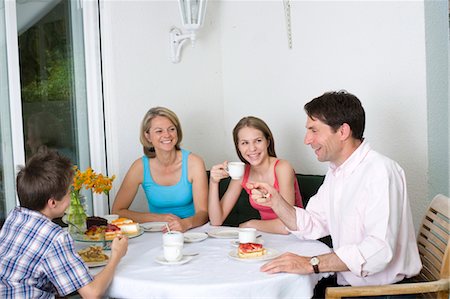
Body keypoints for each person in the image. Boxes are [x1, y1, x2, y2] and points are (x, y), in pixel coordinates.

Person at [247, 91, 422, 288]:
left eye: (314, 130)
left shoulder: (380, 171)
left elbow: (378, 251)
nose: (307, 140)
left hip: (382, 292)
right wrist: (276, 202)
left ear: (342, 132)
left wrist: (310, 263)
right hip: (351, 286)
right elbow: (313, 223)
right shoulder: (337, 172)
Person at [0, 151, 128, 298]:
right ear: (53, 202)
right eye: (69, 193)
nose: (71, 197)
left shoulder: (15, 216)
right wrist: (116, 256)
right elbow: (92, 294)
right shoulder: (55, 237)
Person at [112, 106, 208, 232]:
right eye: (159, 131)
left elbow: (203, 213)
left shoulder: (194, 163)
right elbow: (117, 211)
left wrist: (185, 224)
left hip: (193, 231)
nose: (167, 135)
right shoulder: (139, 167)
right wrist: (158, 218)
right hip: (156, 233)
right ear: (148, 136)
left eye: (171, 129)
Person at [208, 116, 303, 234]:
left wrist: (250, 224)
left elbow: (286, 226)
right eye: (244, 143)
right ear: (238, 146)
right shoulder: (243, 173)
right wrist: (213, 182)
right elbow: (216, 220)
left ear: (267, 142)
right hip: (268, 236)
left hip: (295, 237)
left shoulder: (282, 167)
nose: (252, 148)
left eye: (258, 141)